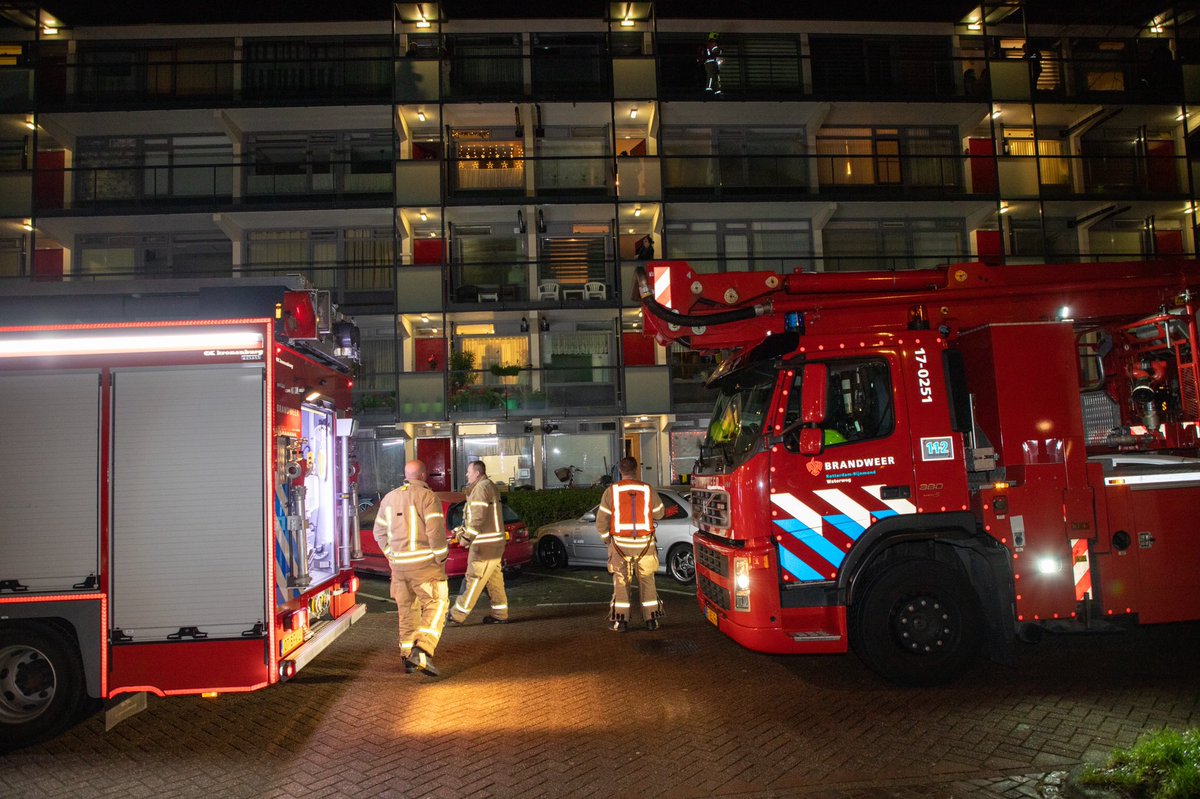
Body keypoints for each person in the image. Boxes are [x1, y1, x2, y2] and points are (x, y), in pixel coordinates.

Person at [372, 459, 449, 676]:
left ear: (406, 475)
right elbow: (435, 532)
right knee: (437, 603)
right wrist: (441, 557)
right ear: (424, 475)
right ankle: (423, 649)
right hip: (424, 566)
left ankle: (407, 656)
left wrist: (391, 556)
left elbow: (379, 533)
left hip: (399, 568)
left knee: (407, 611)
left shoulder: (389, 498)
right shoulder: (428, 496)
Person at [595, 456, 665, 632]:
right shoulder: (648, 490)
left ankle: (621, 622)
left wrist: (606, 538)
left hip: (619, 545)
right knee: (647, 581)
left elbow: (602, 519)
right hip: (645, 545)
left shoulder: (611, 491)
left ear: (620, 471)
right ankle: (651, 621)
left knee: (621, 582)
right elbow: (659, 514)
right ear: (636, 470)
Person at [447, 460, 509, 625]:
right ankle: (500, 614)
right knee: (494, 580)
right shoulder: (488, 486)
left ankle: (457, 614)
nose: (467, 474)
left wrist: (466, 538)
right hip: (494, 543)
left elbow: (478, 518)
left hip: (484, 545)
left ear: (477, 473)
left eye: (469, 471)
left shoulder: (480, 489)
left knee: (473, 579)